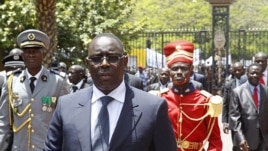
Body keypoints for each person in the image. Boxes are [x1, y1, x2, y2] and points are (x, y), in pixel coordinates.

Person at [43, 33, 177, 151]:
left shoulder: (152, 108)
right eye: (96, 58)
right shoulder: (66, 106)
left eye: (112, 58)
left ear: (125, 62)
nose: (104, 64)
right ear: (88, 64)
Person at [0, 29, 70, 150]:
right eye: (27, 51)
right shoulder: (11, 81)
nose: (31, 55)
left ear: (43, 53)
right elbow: (3, 123)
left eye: (35, 51)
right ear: (22, 55)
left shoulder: (58, 82)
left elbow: (67, 121)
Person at [159, 40, 223, 150]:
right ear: (169, 72)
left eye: (183, 68)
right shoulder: (159, 99)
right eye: (174, 69)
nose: (179, 72)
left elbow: (215, 139)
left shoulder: (205, 101)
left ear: (191, 70)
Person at [229, 63, 268, 151]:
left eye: (257, 73)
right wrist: (241, 138)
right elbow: (234, 118)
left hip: (264, 140)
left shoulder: (266, 90)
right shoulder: (237, 92)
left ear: (261, 75)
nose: (255, 75)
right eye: (252, 73)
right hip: (246, 139)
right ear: (247, 74)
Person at [222, 61, 247, 151]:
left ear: (243, 70)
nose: (237, 72)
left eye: (239, 70)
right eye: (235, 70)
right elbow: (225, 104)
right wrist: (225, 122)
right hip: (234, 120)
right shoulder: (229, 85)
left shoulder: (249, 83)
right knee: (236, 145)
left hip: (248, 119)